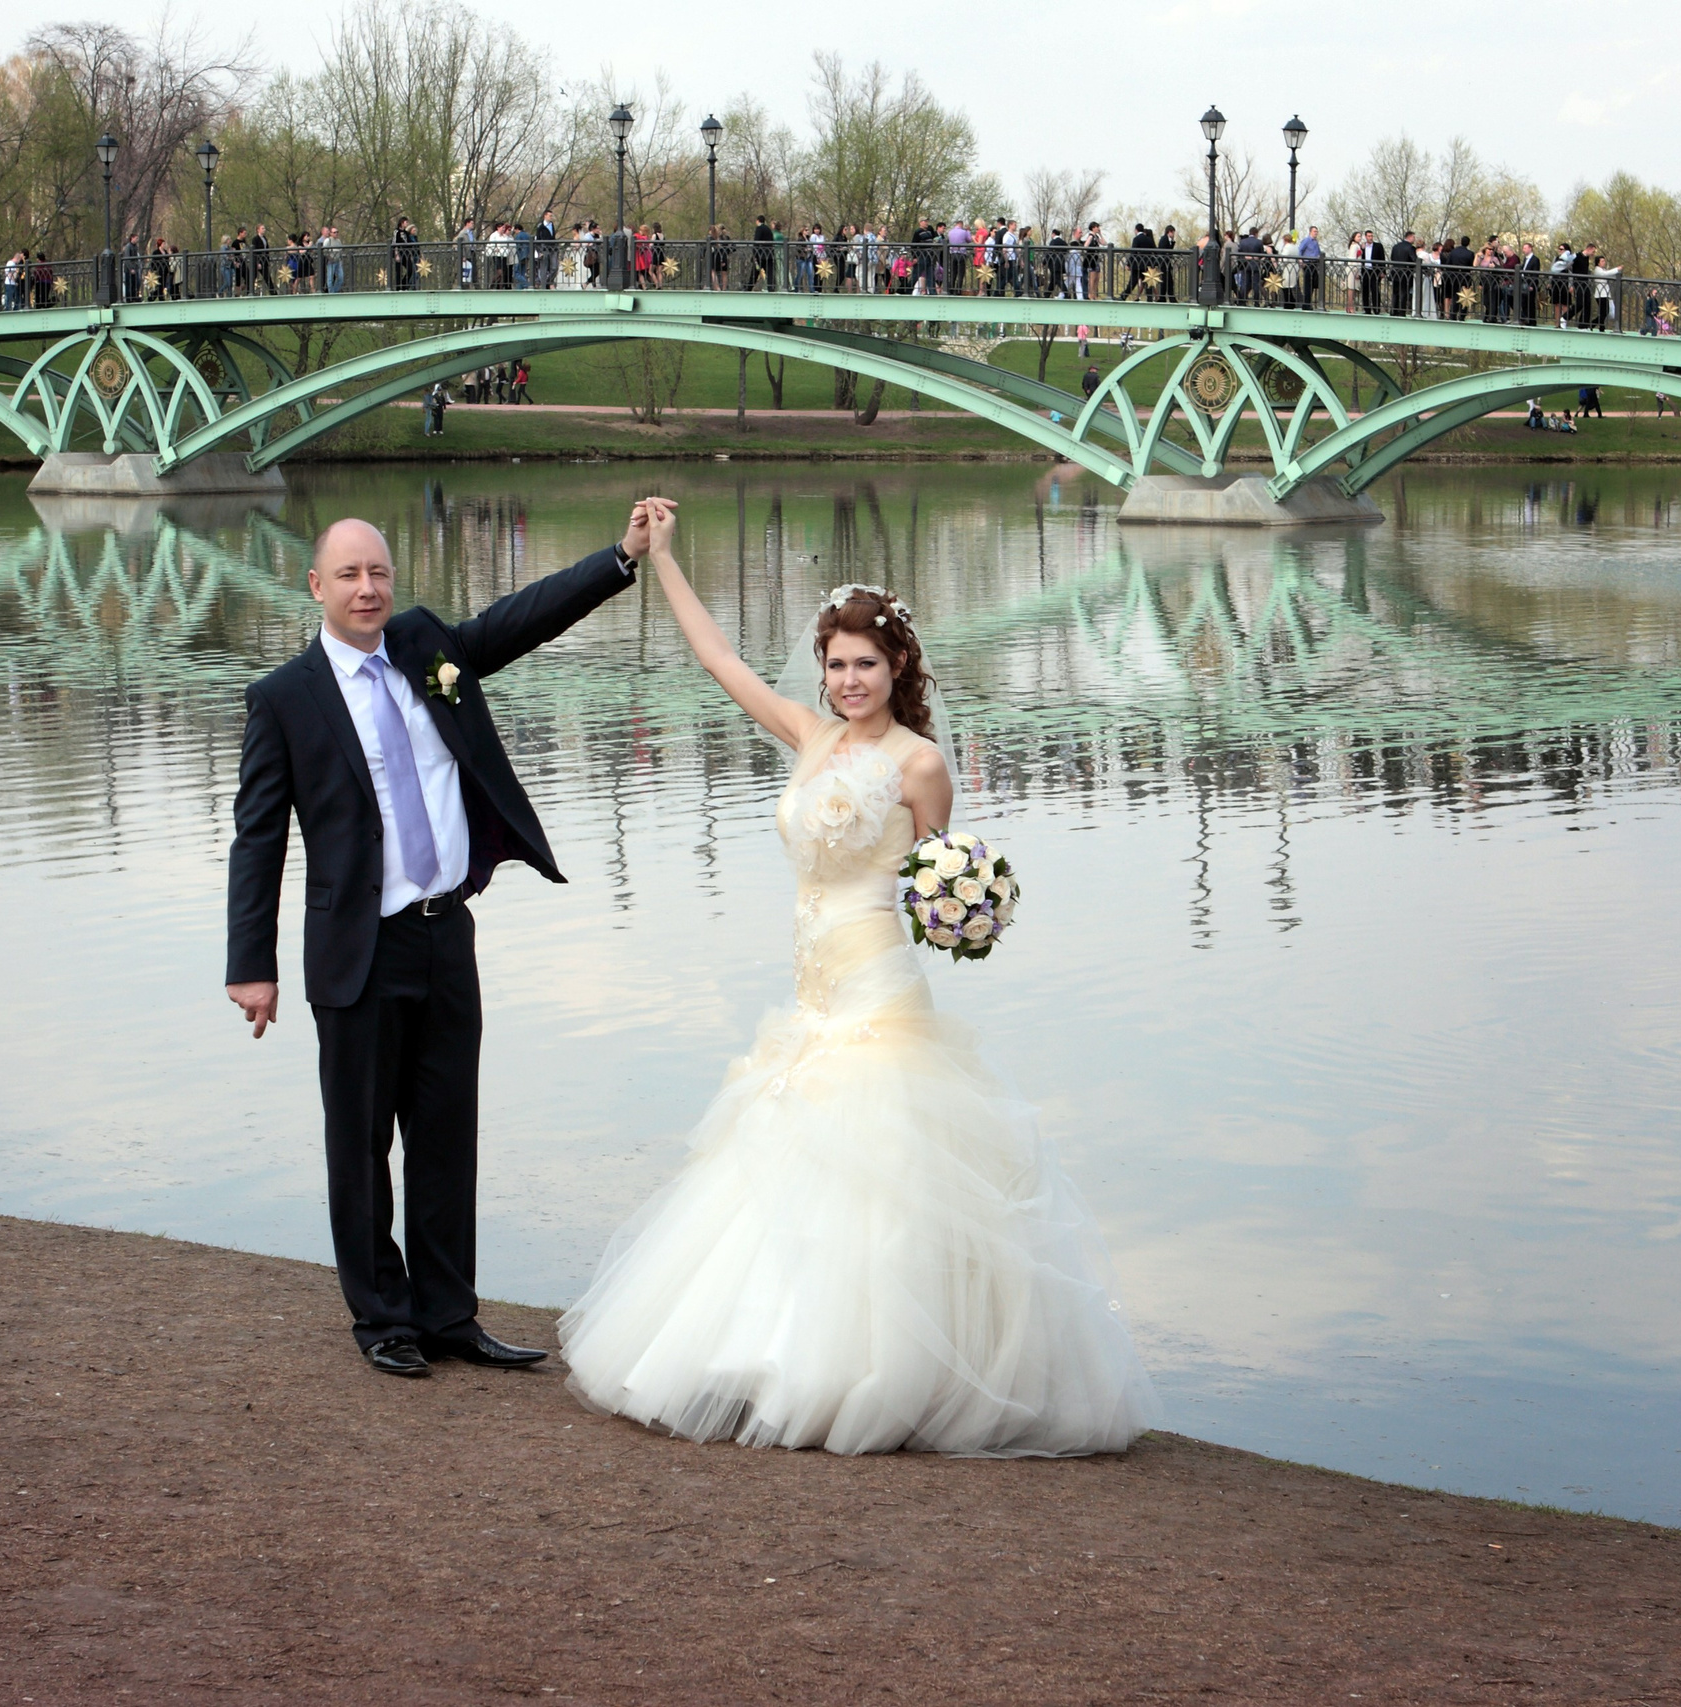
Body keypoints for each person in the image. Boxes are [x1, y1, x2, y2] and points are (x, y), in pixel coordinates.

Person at [559, 503, 1160, 1456]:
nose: (847, 681)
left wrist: (968, 904)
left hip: (878, 988)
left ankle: (883, 1376)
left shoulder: (920, 763)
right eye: (835, 663)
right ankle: (778, 1355)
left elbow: (932, 877)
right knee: (787, 1168)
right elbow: (719, 660)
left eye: (864, 665)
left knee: (879, 1175)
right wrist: (662, 558)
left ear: (898, 671)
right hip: (808, 988)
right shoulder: (805, 735)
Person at [225, 512, 648, 1378]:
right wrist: (251, 965)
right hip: (358, 948)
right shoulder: (284, 698)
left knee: (448, 1133)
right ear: (316, 586)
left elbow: (518, 620)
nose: (368, 589)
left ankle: (450, 1313)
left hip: (445, 932)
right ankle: (383, 1316)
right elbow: (257, 838)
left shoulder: (423, 643)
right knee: (360, 1139)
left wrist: (620, 558)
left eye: (377, 571)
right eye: (348, 575)